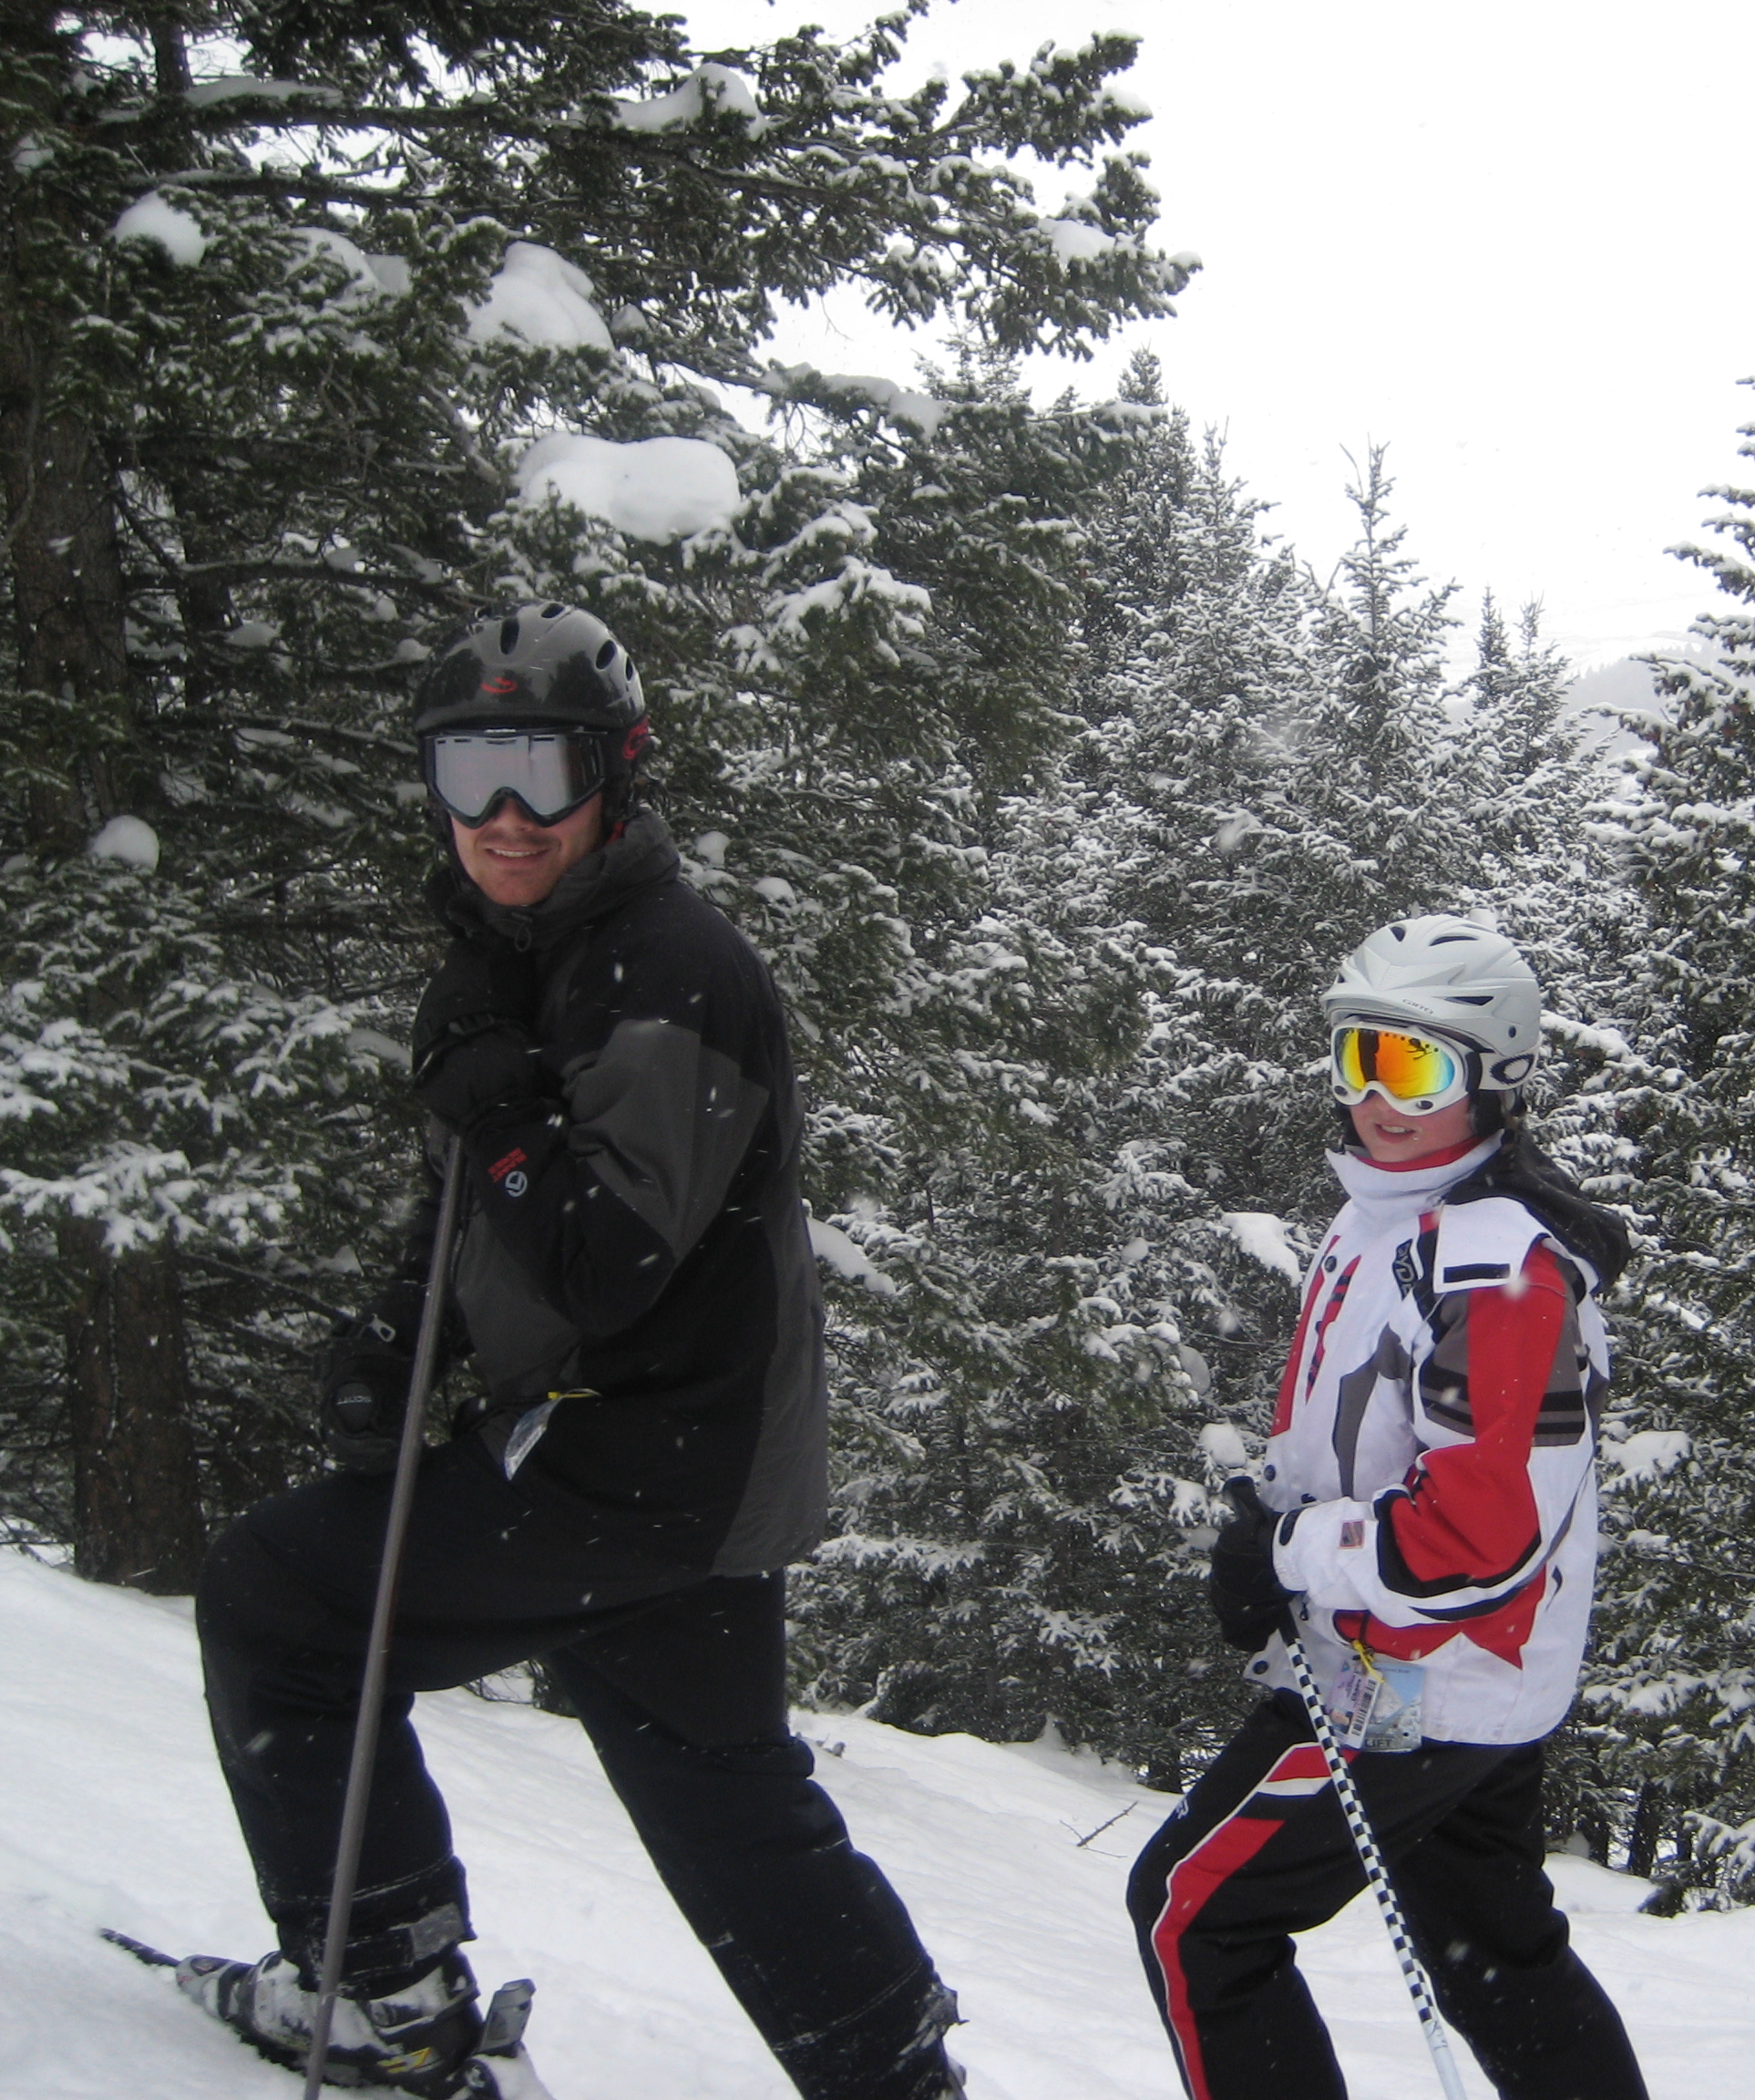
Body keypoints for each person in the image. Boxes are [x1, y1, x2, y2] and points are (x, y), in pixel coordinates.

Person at [177, 603, 964, 2099]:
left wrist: (495, 1108)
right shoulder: (526, 959)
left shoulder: (664, 966)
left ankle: (386, 1989)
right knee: (718, 1784)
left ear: (614, 775)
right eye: (467, 775)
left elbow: (603, 1259)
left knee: (278, 1601)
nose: (505, 817)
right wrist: (401, 1323)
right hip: (682, 1459)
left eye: (538, 770)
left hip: (639, 1454)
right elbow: (477, 1207)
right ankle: (892, 2071)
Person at [1126, 916, 1650, 2100]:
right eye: (1357, 1055)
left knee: (1193, 1917)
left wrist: (1297, 1553)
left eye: (1416, 1065)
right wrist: (1266, 1516)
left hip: (1416, 1676)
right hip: (1460, 1668)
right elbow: (1356, 1426)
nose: (1377, 1095)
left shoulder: (1496, 1267)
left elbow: (1478, 1537)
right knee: (1493, 1957)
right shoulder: (1384, 1220)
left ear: (1497, 1076)